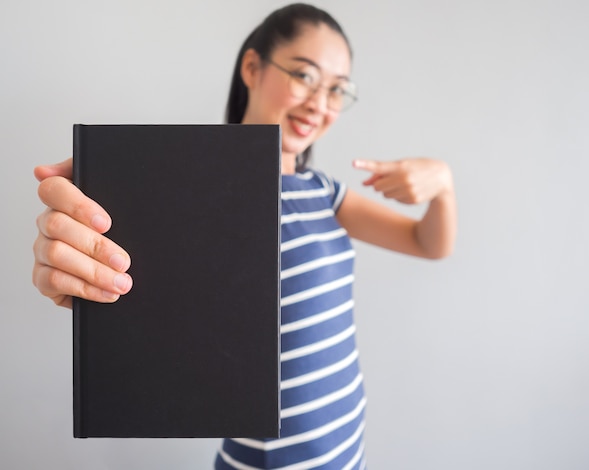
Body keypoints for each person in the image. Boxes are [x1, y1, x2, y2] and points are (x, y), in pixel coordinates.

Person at [32, 3, 457, 469]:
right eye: (305, 76)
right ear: (252, 67)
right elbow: (148, 297)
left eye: (337, 90)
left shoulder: (325, 193)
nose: (320, 102)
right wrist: (82, 267)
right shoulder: (199, 196)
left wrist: (443, 188)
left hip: (347, 448)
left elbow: (428, 244)